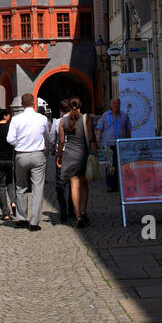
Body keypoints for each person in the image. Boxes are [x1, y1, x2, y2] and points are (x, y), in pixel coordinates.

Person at [6, 93, 50, 230]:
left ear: (22, 104)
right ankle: (34, 221)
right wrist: (45, 148)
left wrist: (19, 143)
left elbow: (9, 139)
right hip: (38, 154)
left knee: (20, 186)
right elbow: (47, 137)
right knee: (38, 187)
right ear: (34, 104)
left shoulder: (16, 119)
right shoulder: (42, 118)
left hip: (21, 155)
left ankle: (21, 217)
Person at [57, 97, 98, 227]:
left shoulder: (63, 121)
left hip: (69, 154)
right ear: (81, 105)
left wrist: (59, 155)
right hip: (83, 154)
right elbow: (91, 138)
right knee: (84, 185)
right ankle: (84, 211)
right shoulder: (86, 119)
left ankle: (78, 216)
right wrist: (95, 153)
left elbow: (62, 141)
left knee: (74, 185)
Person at [95, 97, 131, 191]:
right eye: (114, 103)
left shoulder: (124, 116)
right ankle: (111, 185)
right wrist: (98, 141)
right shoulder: (105, 116)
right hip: (108, 144)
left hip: (120, 144)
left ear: (120, 105)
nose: (116, 105)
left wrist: (128, 142)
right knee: (110, 165)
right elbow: (99, 129)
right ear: (111, 105)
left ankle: (121, 184)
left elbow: (128, 130)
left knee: (120, 165)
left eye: (118, 103)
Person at [50, 98, 76, 222]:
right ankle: (72, 209)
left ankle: (63, 208)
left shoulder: (57, 122)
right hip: (74, 155)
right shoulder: (76, 120)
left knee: (60, 184)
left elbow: (53, 139)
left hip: (62, 155)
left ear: (60, 110)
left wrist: (54, 151)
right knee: (72, 183)